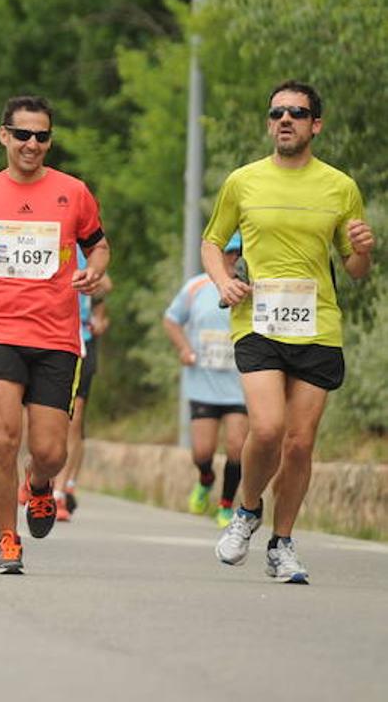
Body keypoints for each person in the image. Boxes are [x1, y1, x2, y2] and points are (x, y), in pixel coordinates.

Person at [0, 96, 108, 574]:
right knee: (3, 438)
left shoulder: (74, 191)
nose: (32, 144)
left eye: (42, 136)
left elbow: (99, 245)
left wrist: (95, 271)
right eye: (23, 134)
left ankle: (42, 484)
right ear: (3, 135)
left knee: (51, 451)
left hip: (56, 336)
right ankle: (8, 540)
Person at [205, 80, 373, 584]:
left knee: (300, 443)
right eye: (276, 112)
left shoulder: (340, 186)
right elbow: (213, 243)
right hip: (258, 321)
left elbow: (356, 267)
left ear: (314, 124)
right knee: (269, 428)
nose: (285, 120)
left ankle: (281, 543)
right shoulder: (244, 181)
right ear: (268, 122)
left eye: (297, 113)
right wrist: (222, 282)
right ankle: (247, 508)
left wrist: (363, 247)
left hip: (318, 323)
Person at [164, 233, 247, 528]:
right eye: (231, 252)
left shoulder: (253, 287)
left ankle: (226, 506)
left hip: (239, 386)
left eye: (240, 252)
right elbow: (171, 319)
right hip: (203, 383)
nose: (235, 258)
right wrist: (184, 348)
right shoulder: (197, 286)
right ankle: (206, 478)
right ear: (219, 254)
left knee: (237, 448)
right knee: (202, 452)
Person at [52, 251, 112, 521]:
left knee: (74, 422)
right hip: (44, 338)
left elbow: (105, 285)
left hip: (81, 341)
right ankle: (37, 476)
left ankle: (60, 492)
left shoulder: (86, 246)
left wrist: (99, 319)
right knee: (44, 420)